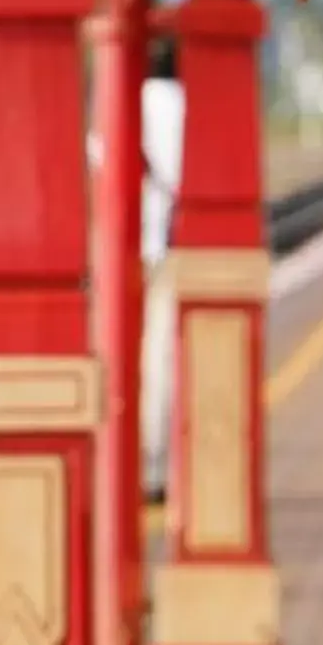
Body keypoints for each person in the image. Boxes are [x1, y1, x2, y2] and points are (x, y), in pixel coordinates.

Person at [139, 33, 186, 501]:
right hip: (165, 245)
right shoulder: (179, 103)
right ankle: (154, 469)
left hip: (122, 248)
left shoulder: (119, 96)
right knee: (159, 362)